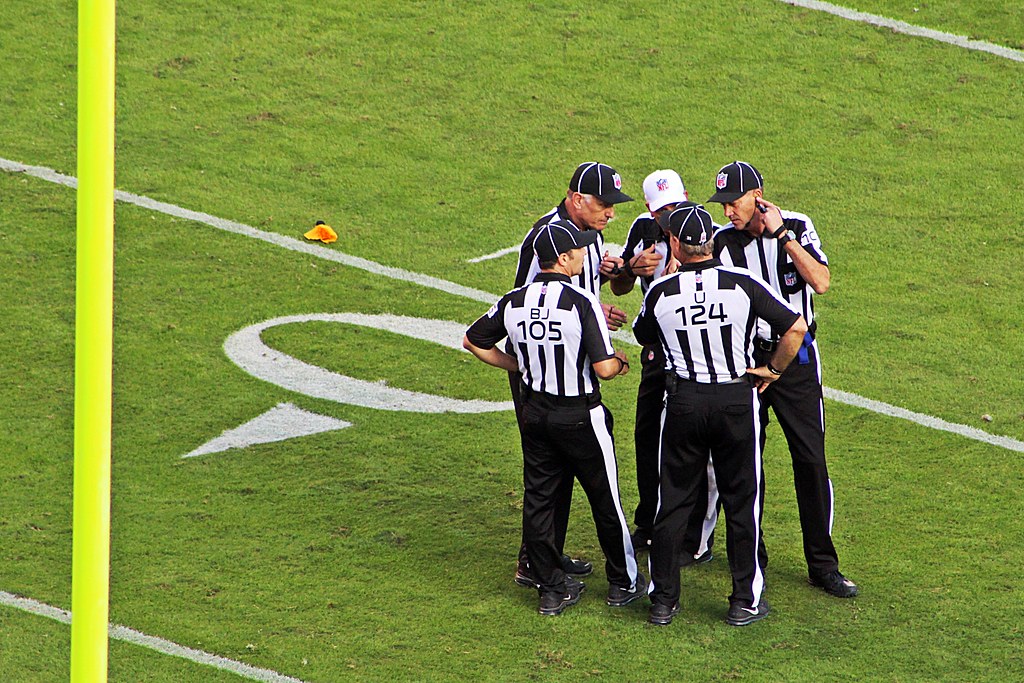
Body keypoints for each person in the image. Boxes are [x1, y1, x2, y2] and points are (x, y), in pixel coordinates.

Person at [632, 203, 808, 627]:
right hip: (735, 399)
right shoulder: (743, 282)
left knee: (672, 501)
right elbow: (796, 328)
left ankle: (663, 599)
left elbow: (644, 336)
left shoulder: (661, 292)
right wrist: (774, 370)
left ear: (676, 244)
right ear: (711, 242)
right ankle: (744, 600)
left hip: (683, 401)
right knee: (741, 501)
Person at [464, 221, 645, 615]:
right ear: (563, 259)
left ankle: (551, 588)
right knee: (605, 499)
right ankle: (623, 581)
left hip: (535, 413)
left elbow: (472, 340)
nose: (584, 254)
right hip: (579, 414)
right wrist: (622, 362)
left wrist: (517, 364)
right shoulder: (582, 304)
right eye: (578, 250)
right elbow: (603, 368)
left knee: (540, 499)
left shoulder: (513, 300)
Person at [707, 160, 858, 598]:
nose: (728, 212)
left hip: (796, 361)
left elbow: (822, 282)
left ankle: (823, 565)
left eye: (734, 202)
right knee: (744, 461)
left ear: (758, 195)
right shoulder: (722, 242)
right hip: (748, 360)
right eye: (723, 204)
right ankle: (753, 556)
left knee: (810, 460)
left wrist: (784, 238)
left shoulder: (796, 225)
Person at [509, 162, 635, 589]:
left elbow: (583, 282)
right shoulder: (546, 237)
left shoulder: (586, 234)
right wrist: (590, 313)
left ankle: (547, 558)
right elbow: (530, 299)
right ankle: (534, 563)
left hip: (575, 363)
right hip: (542, 368)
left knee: (556, 466)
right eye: (603, 204)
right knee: (548, 470)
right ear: (576, 198)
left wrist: (615, 273)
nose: (611, 214)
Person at [609, 170, 717, 564]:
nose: (668, 216)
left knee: (698, 447)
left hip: (697, 354)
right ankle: (648, 523)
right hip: (656, 349)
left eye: (674, 206)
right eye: (661, 211)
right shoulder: (642, 229)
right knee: (647, 436)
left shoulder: (707, 232)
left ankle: (695, 537)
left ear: (687, 196)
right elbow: (619, 287)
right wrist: (629, 269)